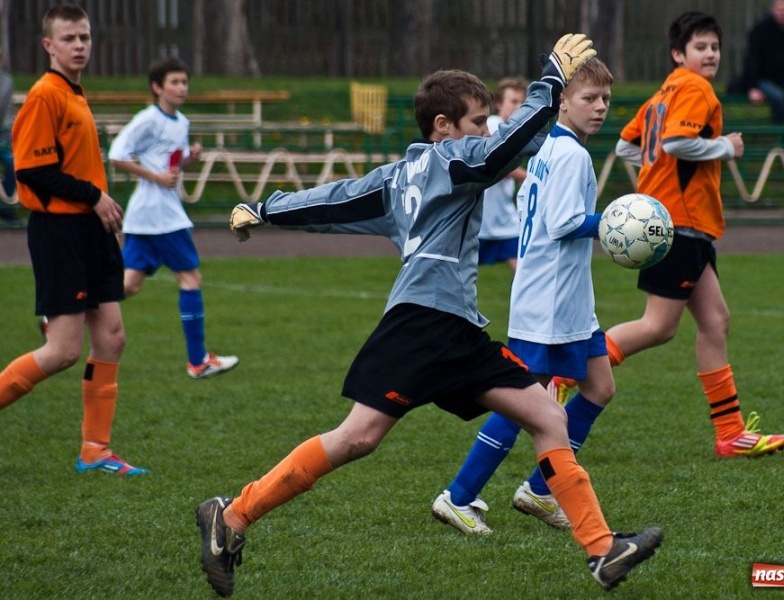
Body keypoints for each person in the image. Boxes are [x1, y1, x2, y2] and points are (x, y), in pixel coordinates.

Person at [196, 35, 663, 597]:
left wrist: (266, 208)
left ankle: (601, 549)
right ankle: (234, 514)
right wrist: (550, 81)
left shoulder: (397, 177)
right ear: (442, 126)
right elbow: (499, 154)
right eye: (477, 121)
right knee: (358, 436)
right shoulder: (454, 159)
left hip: (456, 329)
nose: (486, 131)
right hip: (424, 324)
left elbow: (335, 199)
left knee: (547, 417)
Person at [432, 58, 615, 535]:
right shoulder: (570, 155)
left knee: (599, 387)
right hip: (549, 301)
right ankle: (458, 496)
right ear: (562, 102)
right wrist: (615, 224)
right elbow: (563, 223)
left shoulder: (552, 148)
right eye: (588, 98)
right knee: (522, 402)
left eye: (605, 100)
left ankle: (539, 488)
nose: (599, 108)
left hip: (568, 297)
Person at [610, 11, 784, 458]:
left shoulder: (663, 91)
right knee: (657, 326)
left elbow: (626, 145)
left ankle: (730, 434)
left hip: (681, 223)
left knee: (715, 321)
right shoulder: (693, 87)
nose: (709, 54)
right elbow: (674, 144)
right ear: (678, 54)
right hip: (680, 224)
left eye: (714, 47)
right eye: (700, 47)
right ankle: (565, 372)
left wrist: (656, 174)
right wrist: (724, 148)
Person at [0, 4, 147, 476]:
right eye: (69, 38)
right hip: (61, 229)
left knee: (112, 337)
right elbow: (32, 172)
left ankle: (95, 450)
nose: (79, 45)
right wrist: (95, 197)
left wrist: (100, 209)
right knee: (62, 350)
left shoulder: (74, 94)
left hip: (91, 229)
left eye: (84, 36)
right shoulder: (45, 96)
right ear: (48, 45)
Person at [108, 57, 238, 379]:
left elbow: (171, 168)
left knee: (129, 284)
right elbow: (116, 156)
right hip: (160, 215)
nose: (182, 88)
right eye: (175, 82)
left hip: (149, 215)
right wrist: (155, 177)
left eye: (184, 82)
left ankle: (61, 316)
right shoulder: (147, 119)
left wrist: (189, 160)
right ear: (157, 87)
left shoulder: (181, 122)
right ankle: (198, 361)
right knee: (190, 279)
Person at [477, 77, 528, 271]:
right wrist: (532, 178)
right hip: (484, 218)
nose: (519, 106)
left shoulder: (511, 131)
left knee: (522, 269)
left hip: (503, 217)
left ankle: (530, 302)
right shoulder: (494, 125)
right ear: (499, 104)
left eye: (522, 102)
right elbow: (499, 164)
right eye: (513, 101)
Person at [742, 0, 784, 142]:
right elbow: (751, 58)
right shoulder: (761, 28)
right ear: (773, 10)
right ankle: (782, 134)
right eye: (780, 9)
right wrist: (752, 87)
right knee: (779, 97)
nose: (783, 13)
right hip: (762, 79)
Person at [0, 49, 18, 224]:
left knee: (12, 163)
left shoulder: (6, 81)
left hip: (2, 137)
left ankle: (5, 208)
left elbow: (4, 109)